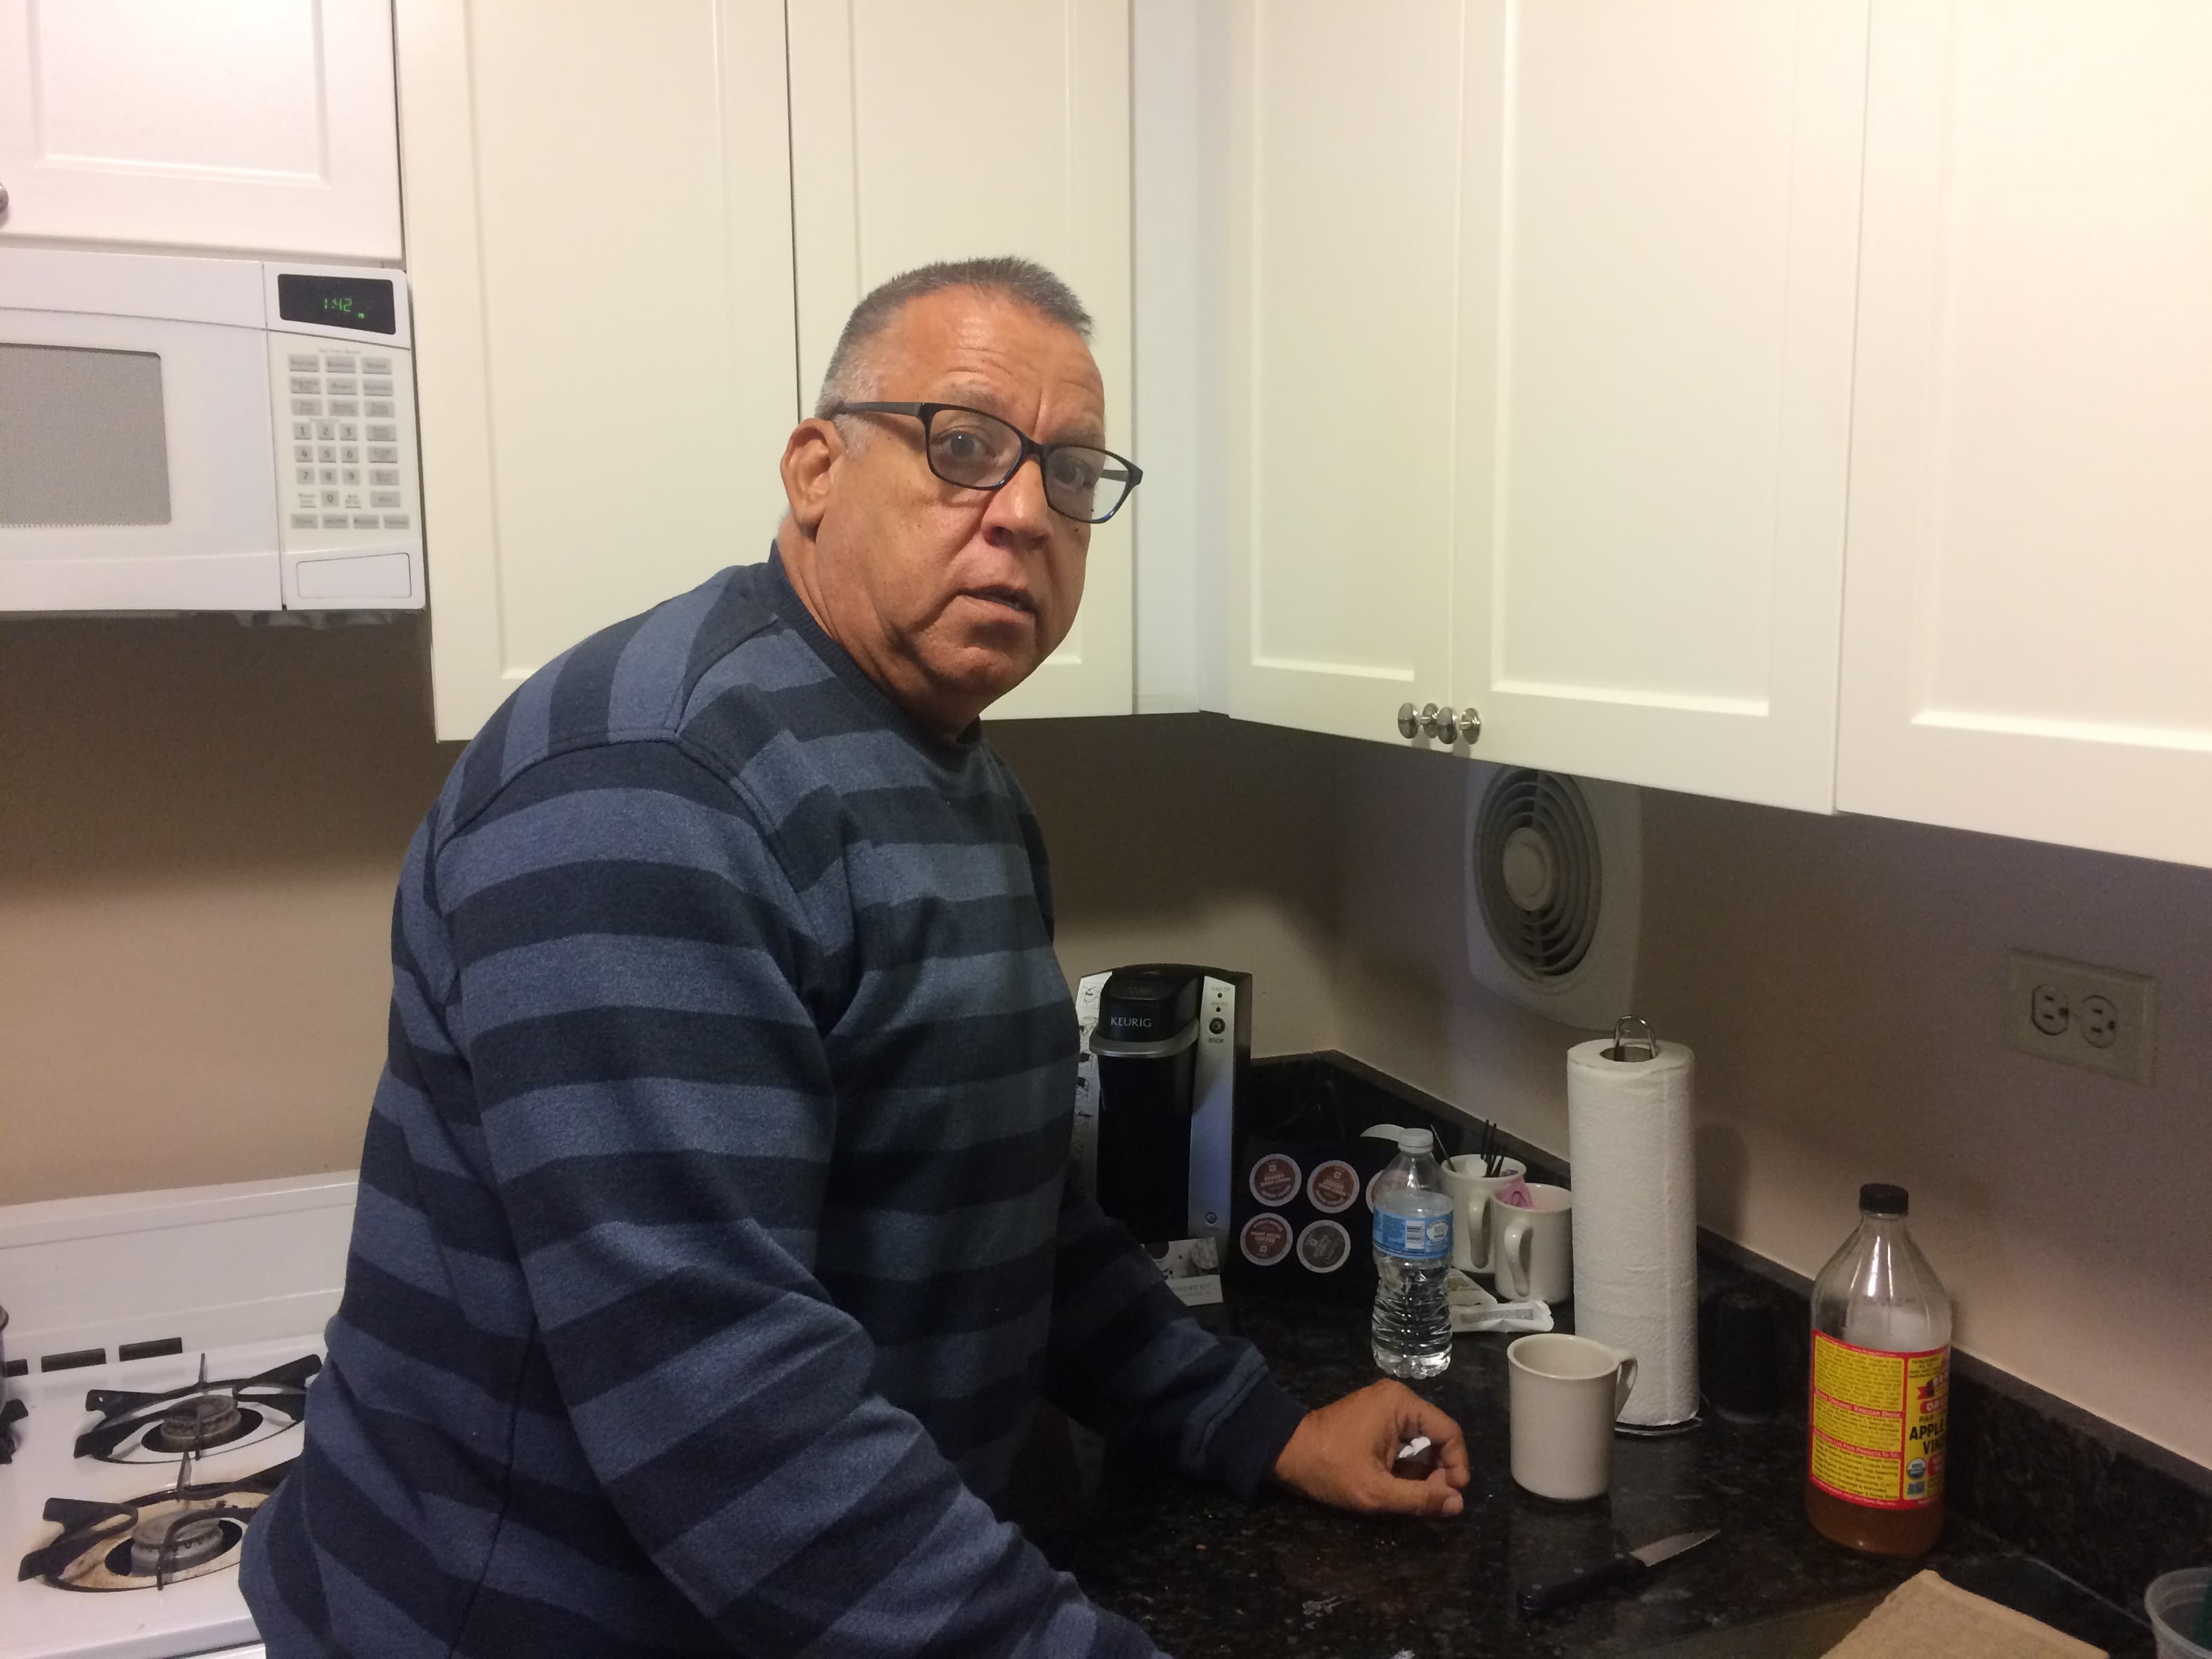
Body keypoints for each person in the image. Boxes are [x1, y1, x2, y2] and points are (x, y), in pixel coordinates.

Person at [242, 255, 1469, 1657]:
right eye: (963, 448)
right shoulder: (650, 785)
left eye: (1072, 477)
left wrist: (1262, 1424)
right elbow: (718, 1396)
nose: (1023, 514)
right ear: (816, 468)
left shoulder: (956, 785)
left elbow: (1004, 1209)